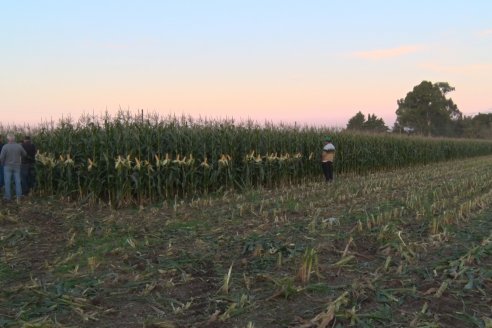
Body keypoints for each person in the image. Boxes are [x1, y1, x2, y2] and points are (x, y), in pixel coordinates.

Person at [0, 134, 27, 202]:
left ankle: (8, 197)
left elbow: (1, 157)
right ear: (14, 139)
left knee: (7, 181)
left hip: (7, 166)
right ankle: (19, 196)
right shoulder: (19, 146)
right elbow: (25, 154)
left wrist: (3, 163)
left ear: (8, 139)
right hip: (17, 166)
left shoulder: (5, 147)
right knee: (17, 181)